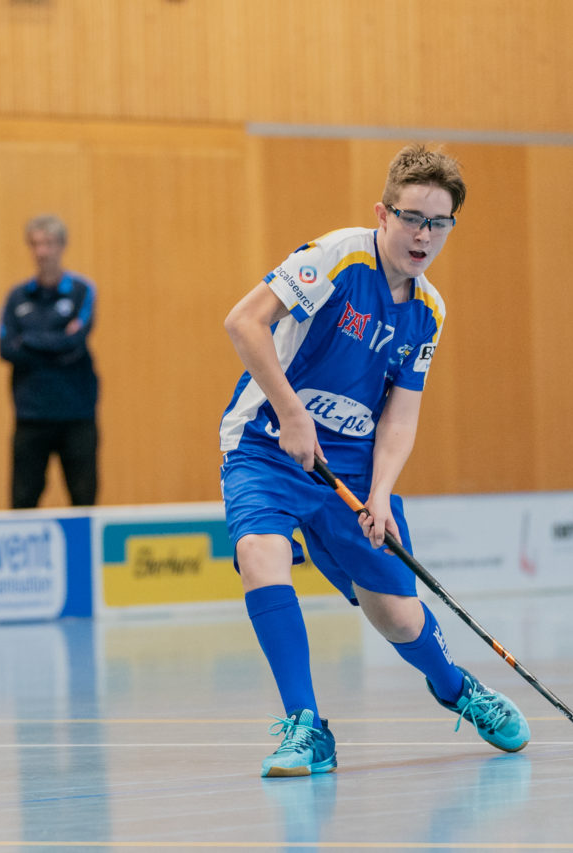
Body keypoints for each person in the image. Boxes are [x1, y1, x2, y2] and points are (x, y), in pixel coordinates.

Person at [219, 145, 529, 778]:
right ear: (382, 214)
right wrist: (293, 413)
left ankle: (453, 687)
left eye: (438, 223)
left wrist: (383, 492)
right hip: (267, 445)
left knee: (396, 614)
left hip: (353, 471)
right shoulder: (338, 258)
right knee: (260, 553)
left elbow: (401, 415)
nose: (423, 235)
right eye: (412, 217)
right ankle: (304, 725)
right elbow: (244, 323)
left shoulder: (428, 311)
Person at [0, 214, 99, 508]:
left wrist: (29, 338)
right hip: (31, 415)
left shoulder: (82, 291)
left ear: (62, 246)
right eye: (35, 244)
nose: (42, 251)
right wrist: (56, 338)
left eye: (49, 243)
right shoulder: (17, 297)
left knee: (84, 499)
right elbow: (6, 348)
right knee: (22, 500)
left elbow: (75, 344)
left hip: (76, 414)